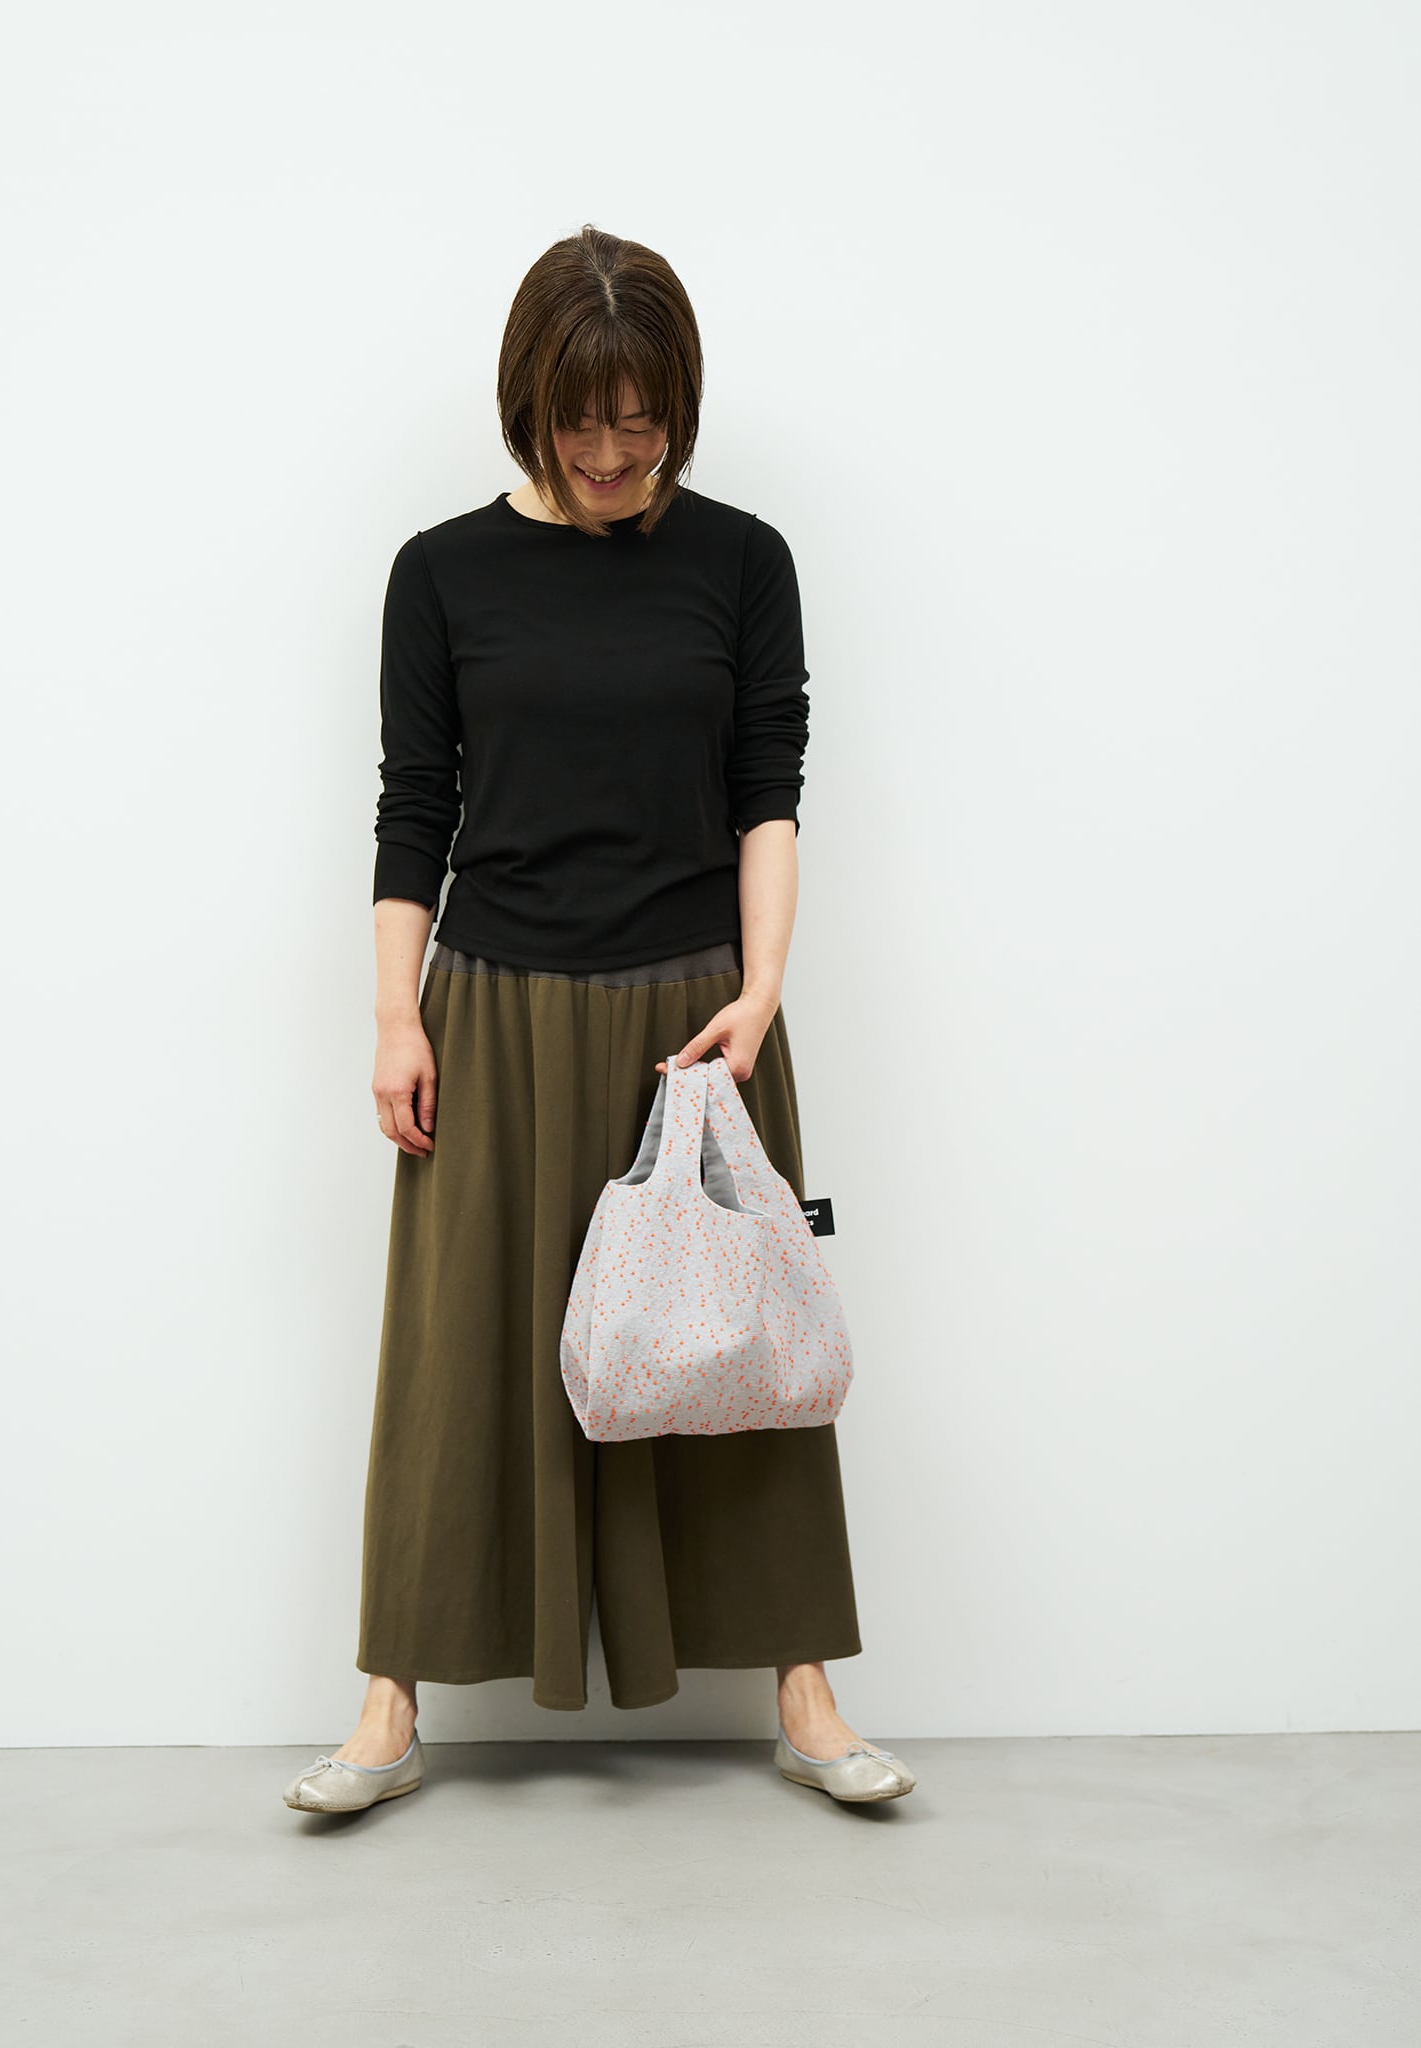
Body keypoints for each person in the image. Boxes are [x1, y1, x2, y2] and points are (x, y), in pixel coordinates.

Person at [285, 224, 916, 1816]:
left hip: (696, 1026)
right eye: (585, 421)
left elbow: (767, 792)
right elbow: (412, 810)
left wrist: (761, 994)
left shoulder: (743, 562)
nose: (618, 452)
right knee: (457, 1361)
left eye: (646, 421)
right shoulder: (441, 574)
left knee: (741, 1346)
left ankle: (806, 1692)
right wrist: (394, 1016)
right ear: (531, 403)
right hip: (492, 1016)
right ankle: (387, 1704)